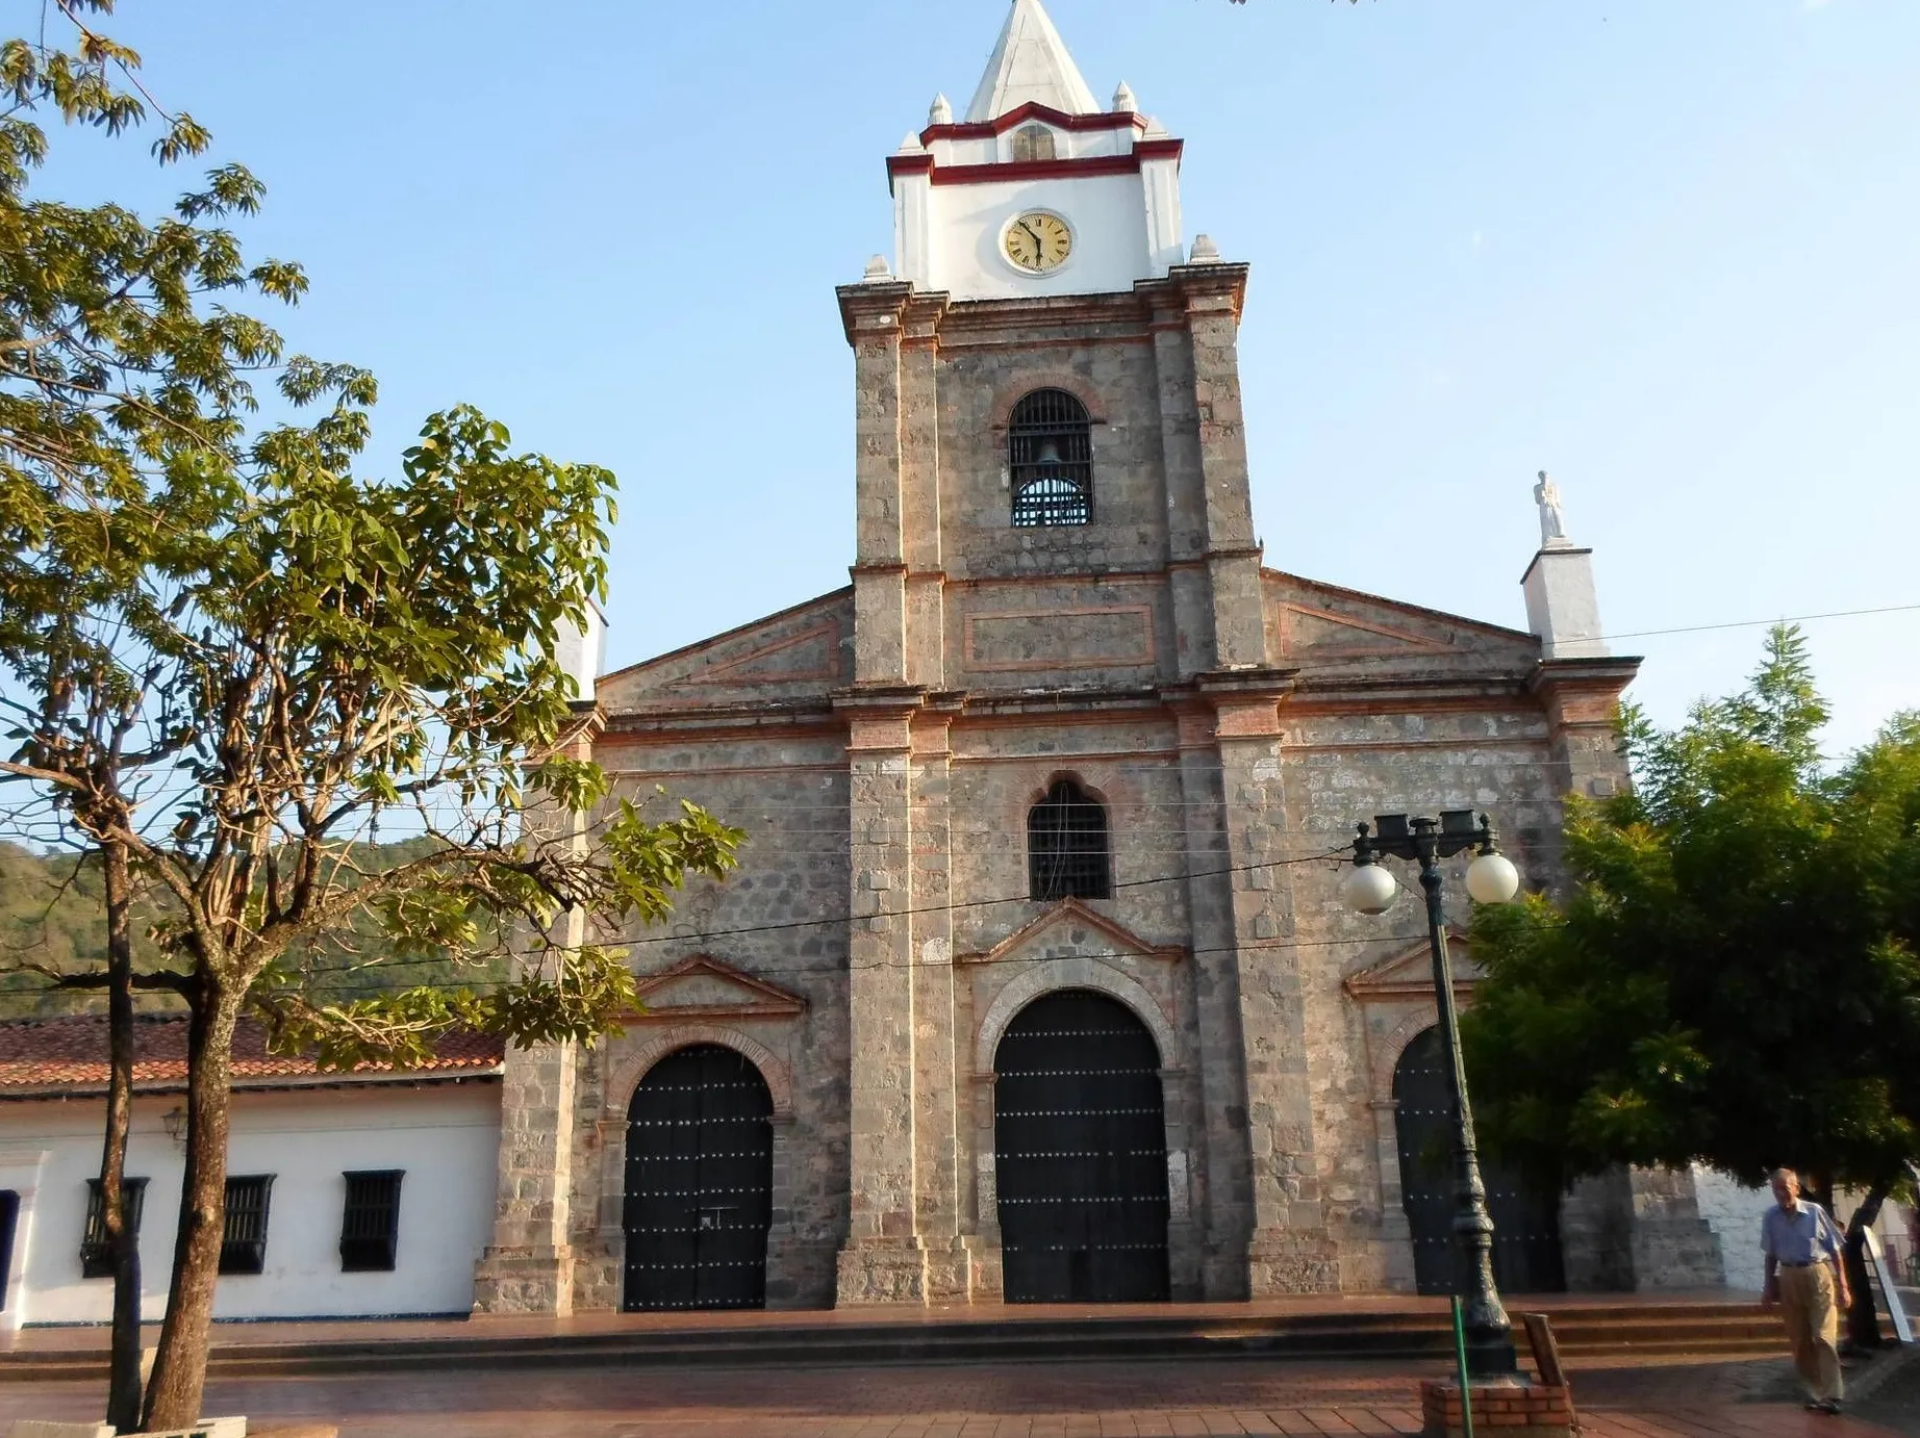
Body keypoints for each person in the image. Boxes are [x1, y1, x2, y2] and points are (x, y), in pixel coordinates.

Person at [1761, 1167, 1852, 1414]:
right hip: (1788, 1275)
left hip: (1816, 1273)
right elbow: (1770, 1254)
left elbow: (1834, 1249)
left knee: (1823, 1335)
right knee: (1799, 1338)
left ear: (1796, 1187)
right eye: (1776, 1189)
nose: (1781, 1193)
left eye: (1785, 1187)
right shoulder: (1771, 1217)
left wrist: (1843, 1285)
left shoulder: (1814, 1212)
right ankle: (1812, 1393)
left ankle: (1833, 1395)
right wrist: (1769, 1285)